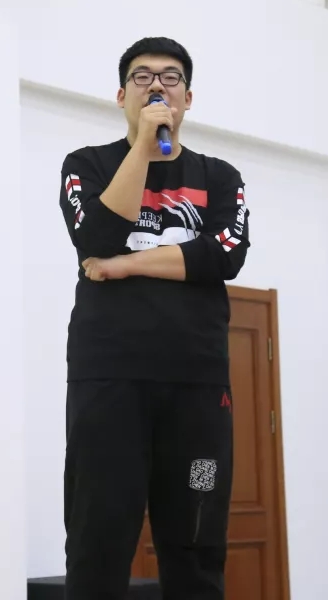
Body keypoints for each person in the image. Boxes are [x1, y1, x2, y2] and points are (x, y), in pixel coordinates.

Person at [57, 37, 251, 599]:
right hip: (108, 384)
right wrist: (142, 147)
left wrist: (126, 265)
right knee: (98, 534)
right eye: (142, 77)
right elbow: (96, 237)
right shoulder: (86, 166)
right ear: (122, 96)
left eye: (171, 77)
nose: (157, 86)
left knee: (198, 534)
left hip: (199, 392)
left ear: (188, 97)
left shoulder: (220, 176)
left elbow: (224, 255)